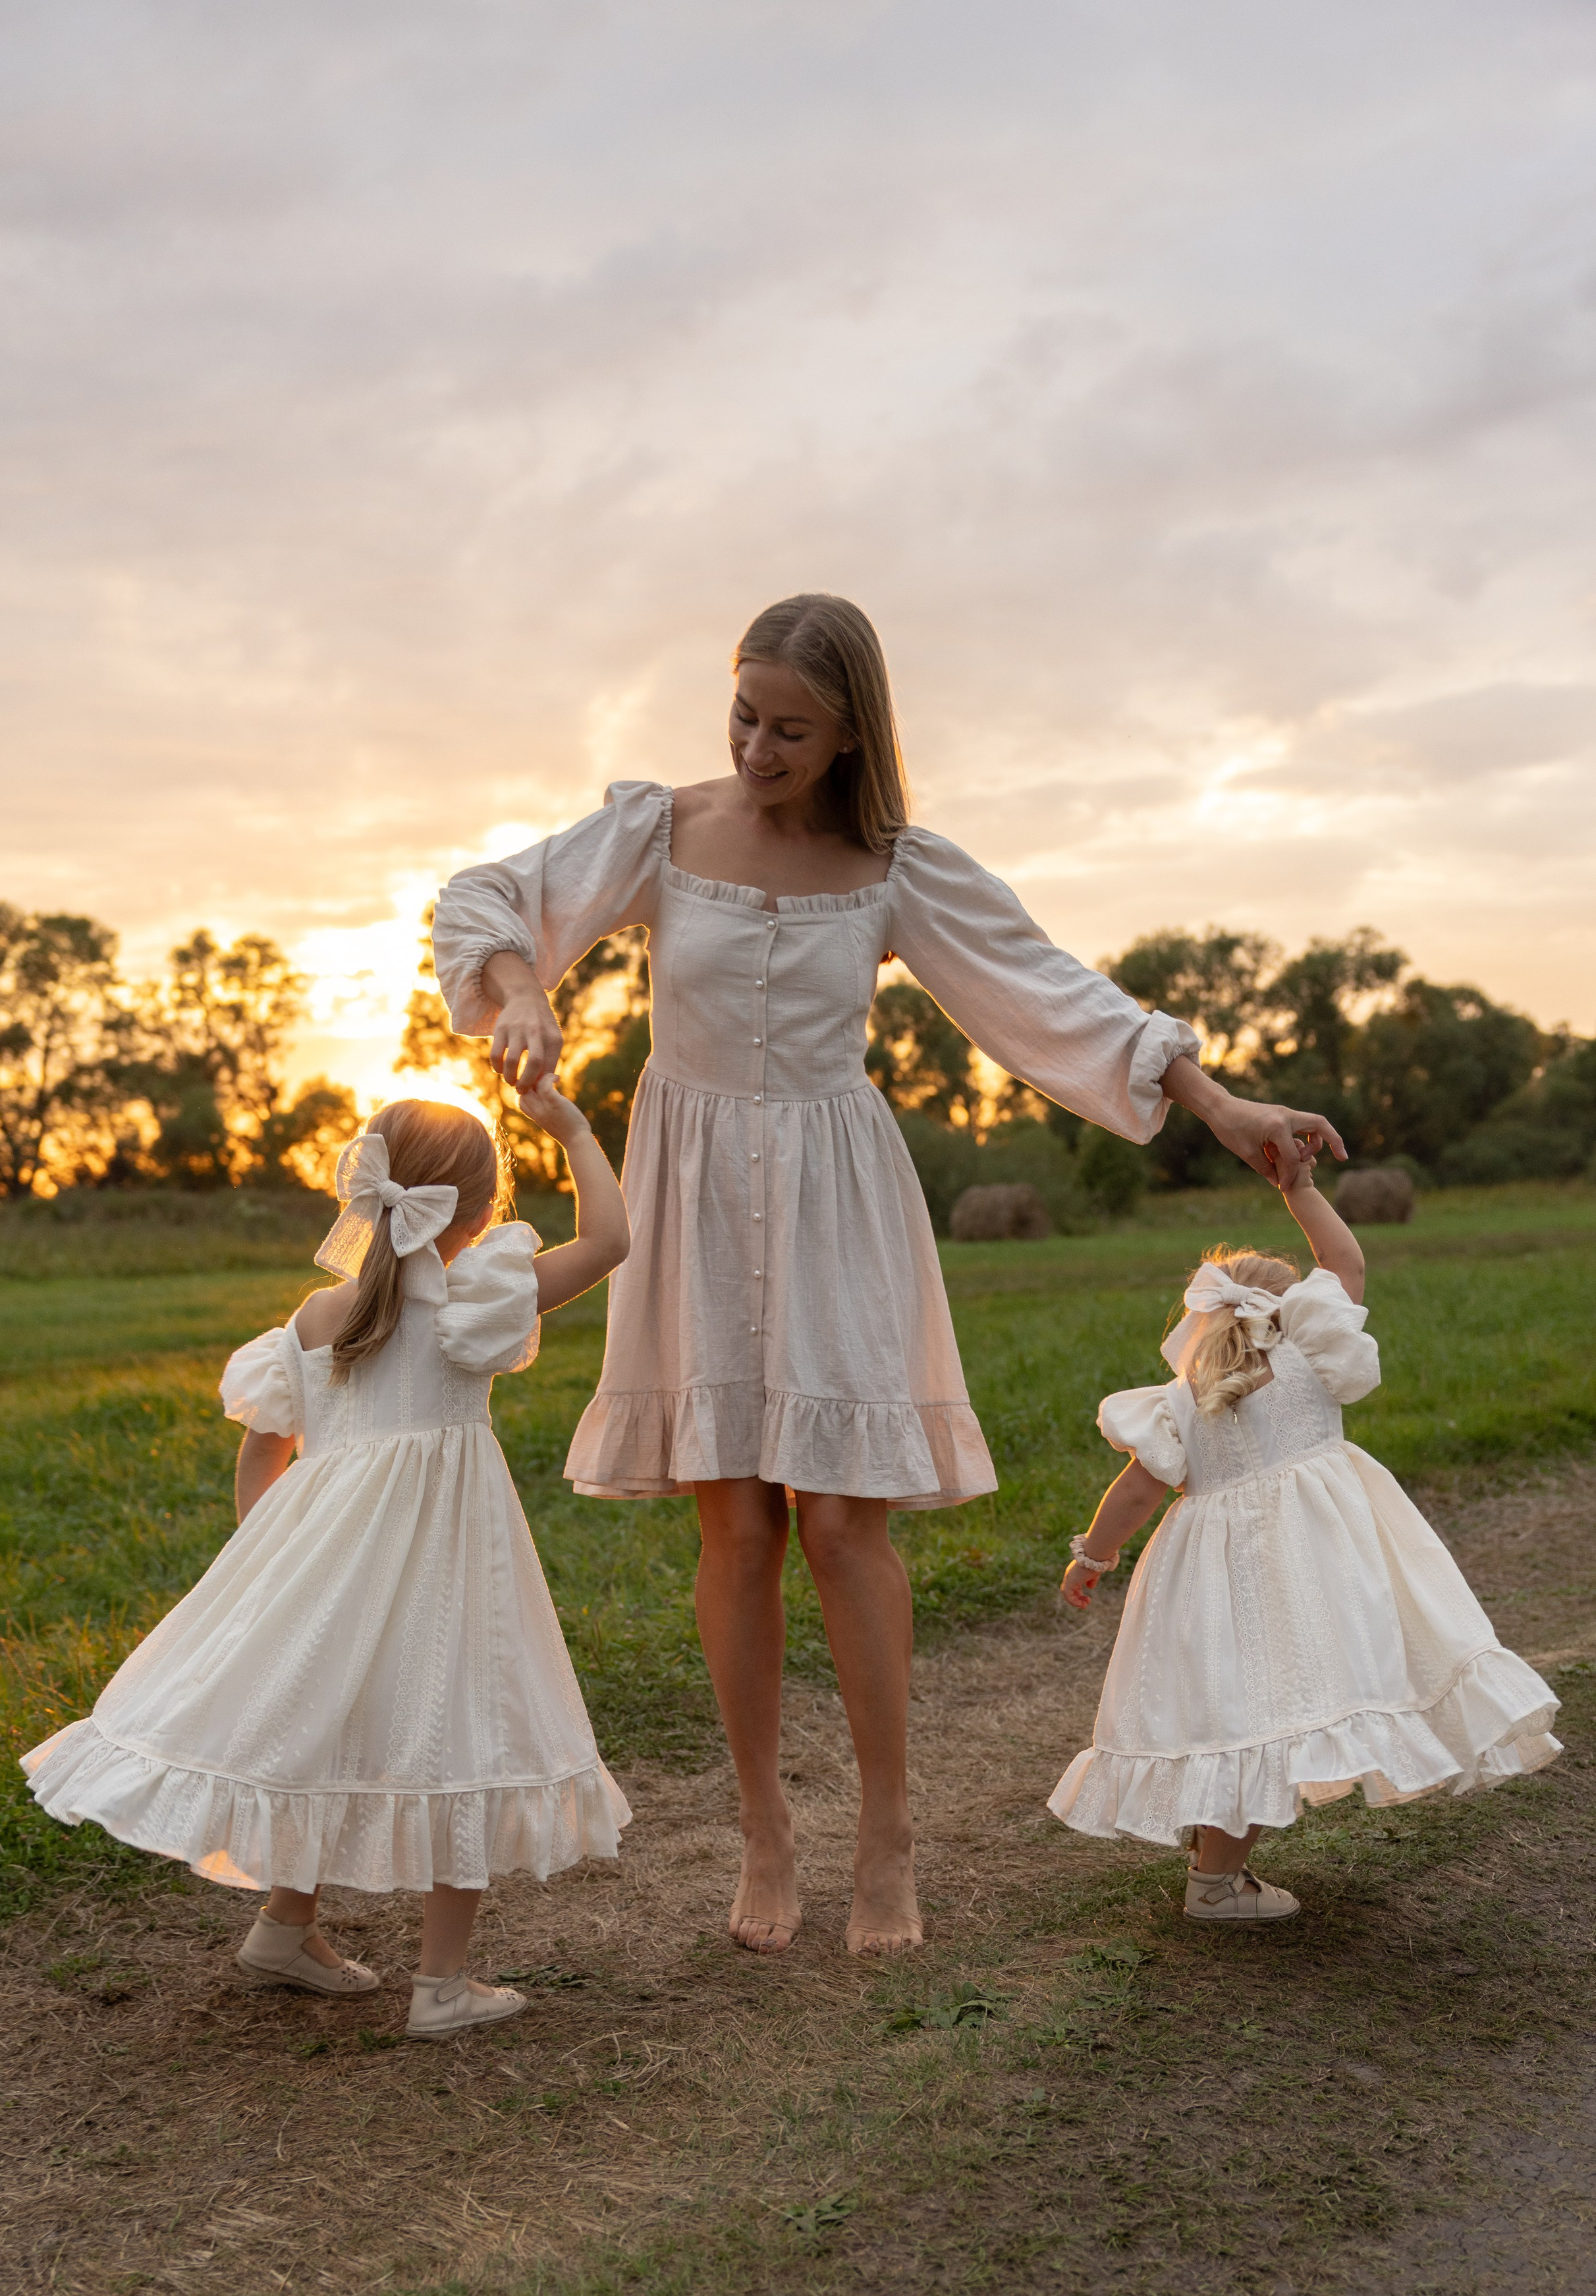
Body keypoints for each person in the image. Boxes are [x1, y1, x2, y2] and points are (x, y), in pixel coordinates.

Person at [431, 592, 1348, 1959]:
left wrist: (1224, 1113)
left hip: (834, 1194)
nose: (755, 746)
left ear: (851, 731)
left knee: (846, 1524)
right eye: (742, 714)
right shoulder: (660, 829)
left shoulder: (894, 866)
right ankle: (762, 1830)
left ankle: (885, 1833)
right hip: (689, 1189)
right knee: (733, 1527)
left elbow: (1051, 992)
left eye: (790, 728)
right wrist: (518, 990)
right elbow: (490, 896)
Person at [22, 1086, 632, 2040]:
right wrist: (576, 1130)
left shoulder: (315, 1316)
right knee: (453, 1726)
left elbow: (263, 1450)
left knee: (324, 1720)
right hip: (442, 1563)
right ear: (475, 1217)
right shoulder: (476, 1298)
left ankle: (283, 1932)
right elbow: (608, 1243)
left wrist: (272, 1558)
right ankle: (441, 1985)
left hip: (326, 1560)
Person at [1047, 1139, 1561, 1923]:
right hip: (1318, 1555)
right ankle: (1215, 1884)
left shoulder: (1179, 1396)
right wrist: (1301, 1188)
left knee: (1238, 1706)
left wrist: (1096, 1553)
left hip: (1215, 1572)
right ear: (1293, 1310)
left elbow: (1137, 1487)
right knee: (1284, 1706)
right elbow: (1346, 1258)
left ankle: (1215, 1862)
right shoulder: (1314, 1353)